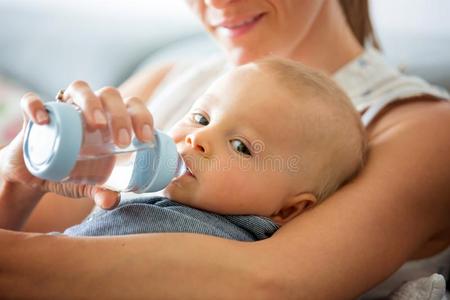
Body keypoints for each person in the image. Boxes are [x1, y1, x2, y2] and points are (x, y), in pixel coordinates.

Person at [0, 0, 449, 299]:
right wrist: (18, 178)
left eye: (240, 146)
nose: (217, 2)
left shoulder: (422, 128)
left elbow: (262, 284)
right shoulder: (169, 77)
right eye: (199, 120)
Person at [62, 58, 366, 238]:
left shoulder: (208, 243)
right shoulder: (155, 201)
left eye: (240, 146)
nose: (199, 138)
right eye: (201, 118)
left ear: (288, 209)